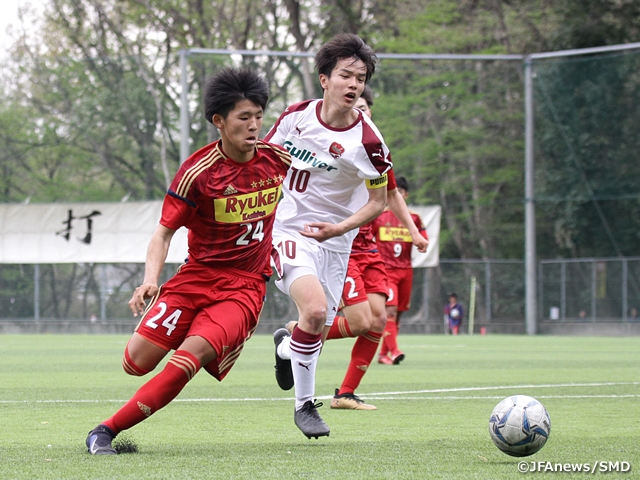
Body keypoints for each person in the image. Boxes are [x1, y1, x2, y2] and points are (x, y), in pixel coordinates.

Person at [85, 67, 291, 455]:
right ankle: (190, 326)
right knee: (136, 362)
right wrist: (150, 279)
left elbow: (321, 182)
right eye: (244, 117)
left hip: (244, 287)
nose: (254, 126)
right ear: (219, 121)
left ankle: (104, 431)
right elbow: (163, 233)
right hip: (196, 277)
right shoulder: (197, 174)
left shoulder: (279, 161)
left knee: (188, 359)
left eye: (259, 116)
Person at [265, 33, 392, 439]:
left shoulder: (369, 142)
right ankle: (306, 407)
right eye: (346, 75)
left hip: (335, 242)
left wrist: (338, 228)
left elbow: (378, 202)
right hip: (288, 229)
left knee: (315, 324)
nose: (354, 85)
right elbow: (264, 163)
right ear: (325, 79)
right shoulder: (295, 116)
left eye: (360, 77)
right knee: (316, 312)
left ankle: (287, 347)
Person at [276, 87, 427, 412]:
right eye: (355, 103)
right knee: (353, 321)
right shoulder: (318, 134)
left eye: (365, 107)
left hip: (363, 247)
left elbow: (389, 194)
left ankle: (345, 392)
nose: (361, 110)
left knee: (377, 321)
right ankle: (294, 339)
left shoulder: (368, 146)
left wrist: (413, 231)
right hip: (338, 244)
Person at [373, 175, 428, 365]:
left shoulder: (413, 218)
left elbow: (423, 238)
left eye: (401, 192)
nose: (397, 195)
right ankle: (395, 351)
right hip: (386, 270)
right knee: (391, 311)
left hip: (406, 270)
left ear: (406, 195)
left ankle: (383, 355)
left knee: (399, 314)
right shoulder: (378, 216)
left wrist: (421, 241)